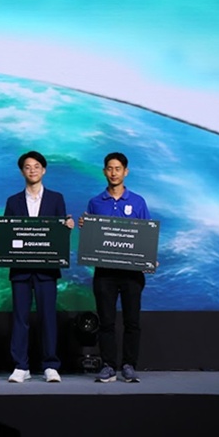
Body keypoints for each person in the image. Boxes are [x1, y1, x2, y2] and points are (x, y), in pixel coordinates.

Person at [0, 151, 74, 383]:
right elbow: (9, 234)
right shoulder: (13, 201)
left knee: (48, 317)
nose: (32, 170)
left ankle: (50, 365)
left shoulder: (56, 199)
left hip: (47, 271)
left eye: (36, 166)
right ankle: (21, 366)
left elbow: (59, 234)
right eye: (27, 167)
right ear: (22, 172)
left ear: (44, 170)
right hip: (20, 271)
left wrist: (67, 227)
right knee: (20, 319)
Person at [85, 152, 151, 383]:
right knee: (106, 322)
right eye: (110, 168)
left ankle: (129, 365)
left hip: (132, 274)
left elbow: (146, 235)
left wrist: (149, 259)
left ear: (125, 172)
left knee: (132, 322)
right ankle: (108, 366)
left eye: (118, 168)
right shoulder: (95, 202)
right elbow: (92, 239)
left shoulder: (138, 202)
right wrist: (86, 227)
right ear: (105, 171)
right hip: (105, 274)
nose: (114, 173)